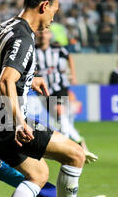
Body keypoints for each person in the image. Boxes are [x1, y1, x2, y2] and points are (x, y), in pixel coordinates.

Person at [0, 0, 97, 197]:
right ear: (44, 6)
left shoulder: (5, 26)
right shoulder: (25, 36)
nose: (54, 17)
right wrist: (19, 121)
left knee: (39, 173)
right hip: (7, 122)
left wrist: (28, 79)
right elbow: (5, 81)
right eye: (54, 10)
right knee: (76, 154)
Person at [35, 28, 96, 163]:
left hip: (60, 86)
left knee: (59, 112)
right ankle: (79, 141)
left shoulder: (58, 49)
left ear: (49, 35)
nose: (43, 36)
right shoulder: (33, 51)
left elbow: (69, 57)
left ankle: (69, 149)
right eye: (40, 33)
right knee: (59, 120)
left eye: (45, 33)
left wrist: (72, 75)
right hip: (44, 90)